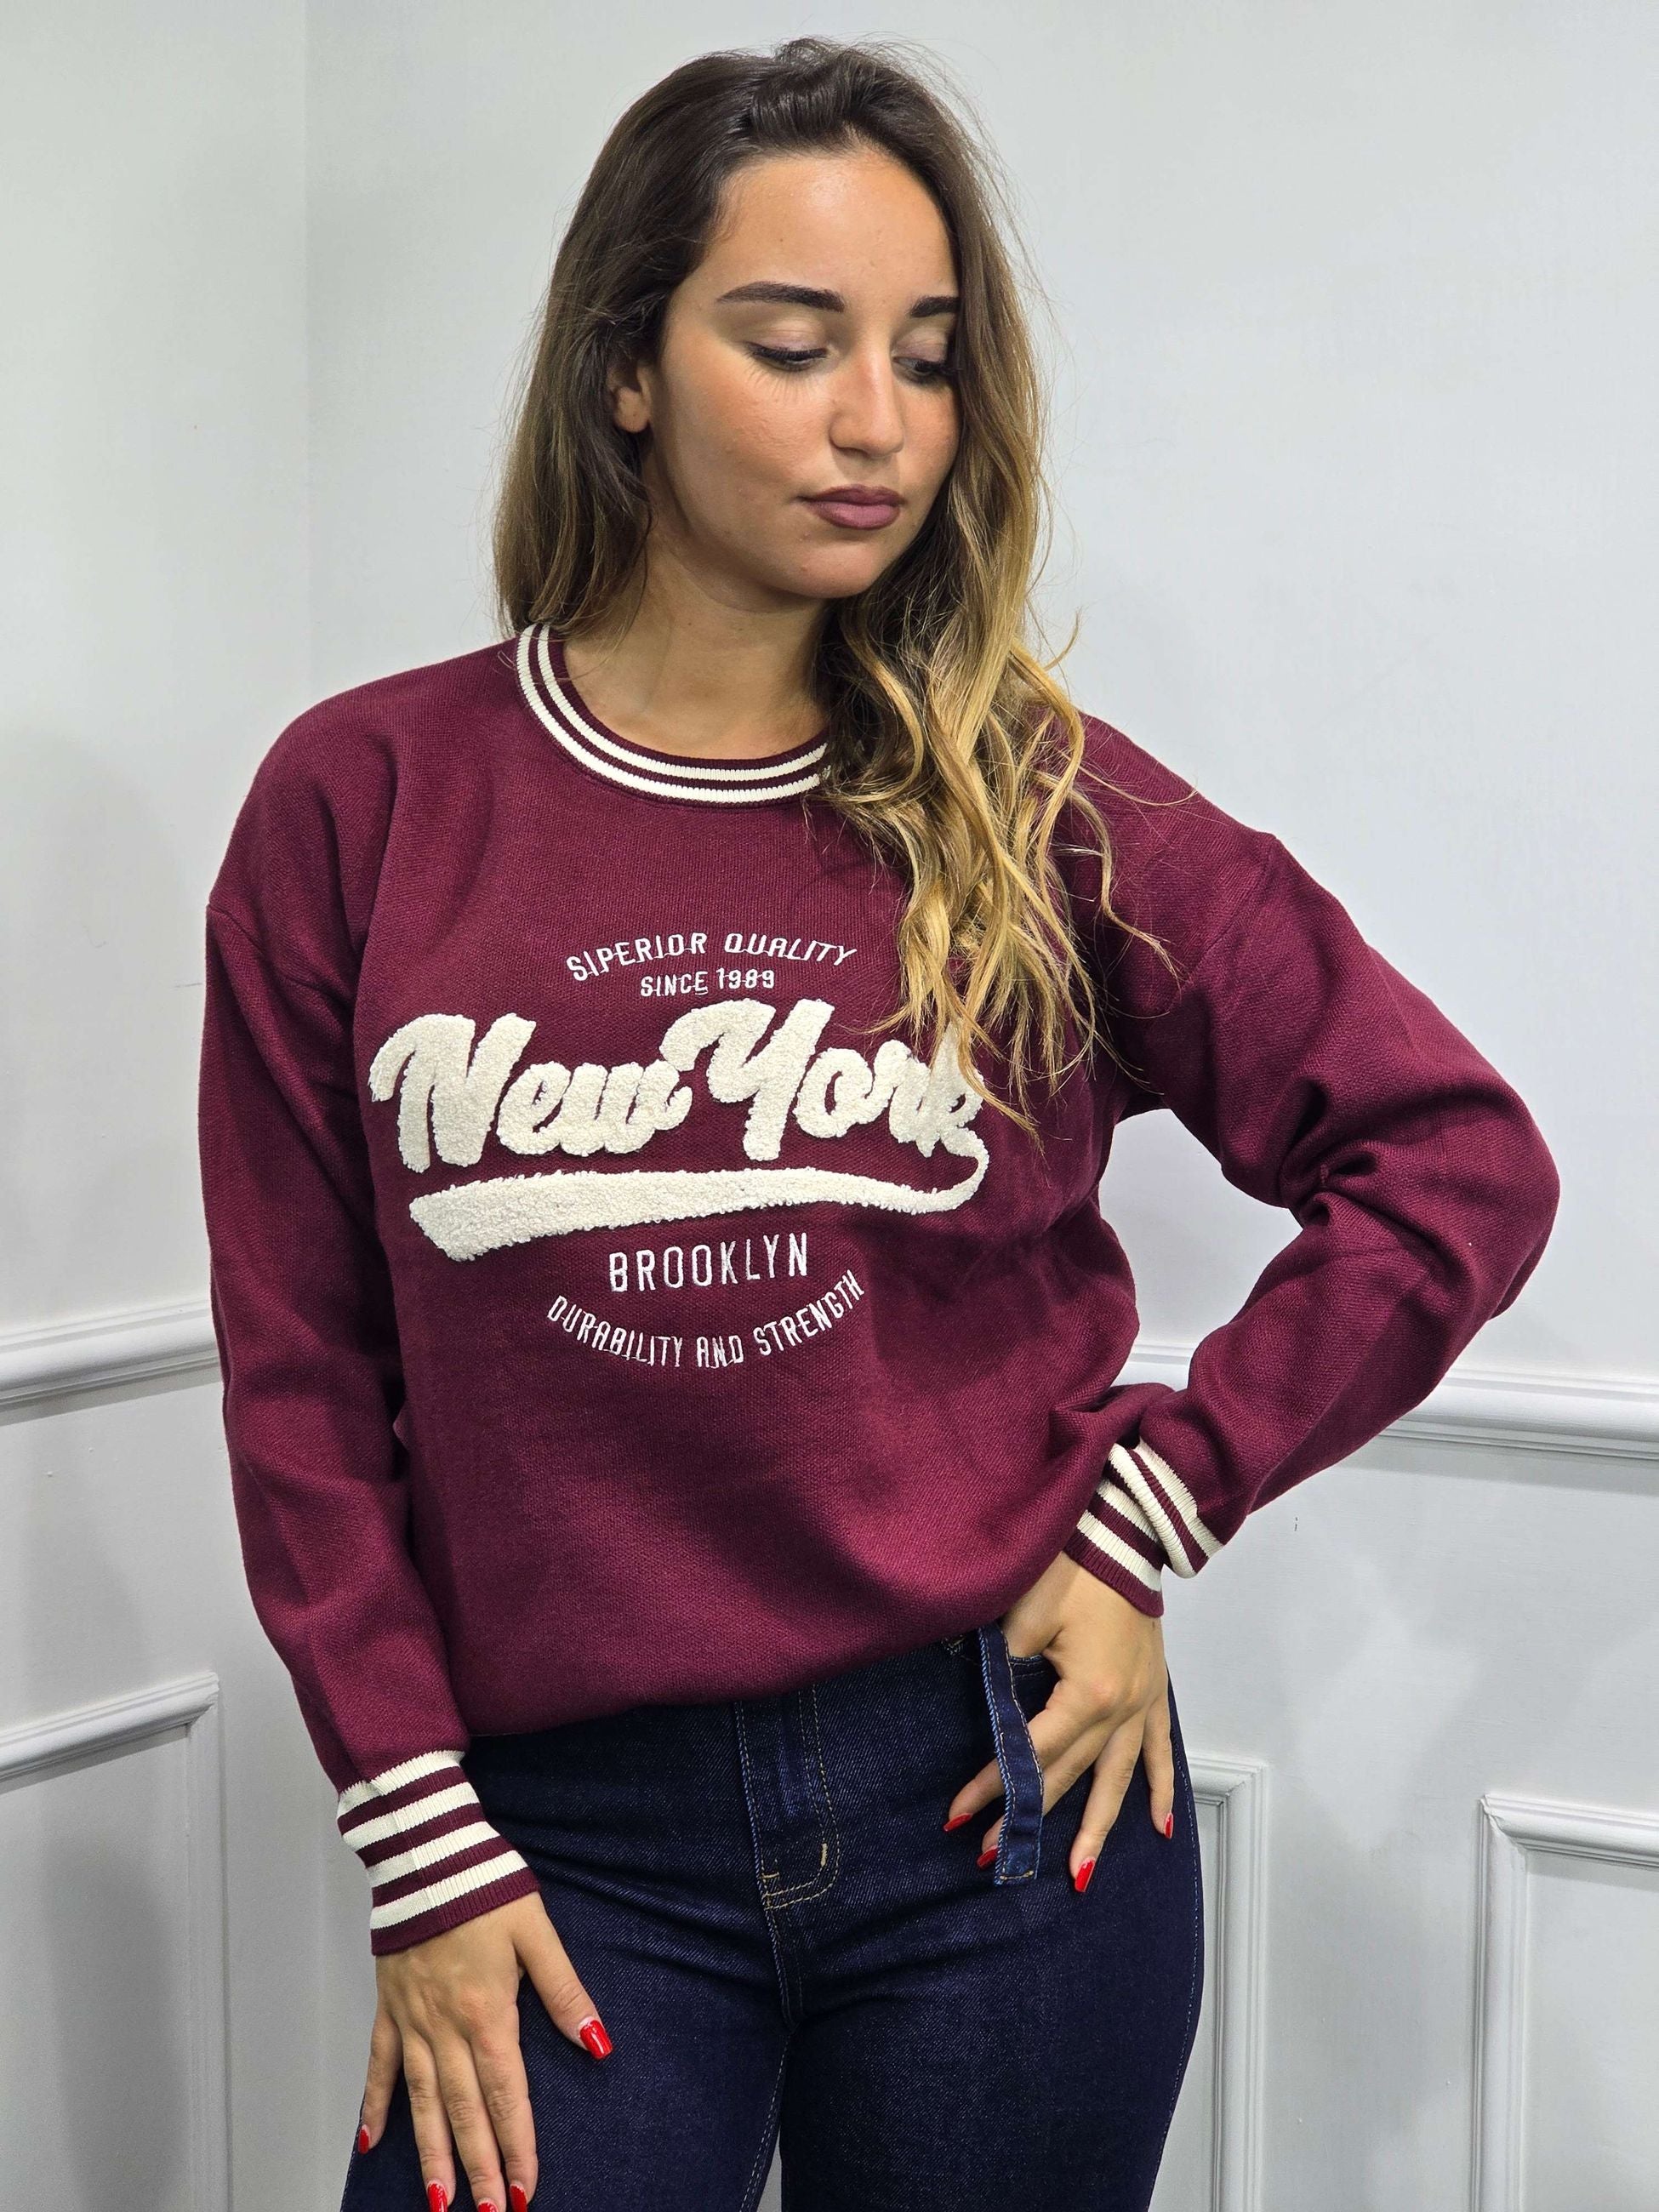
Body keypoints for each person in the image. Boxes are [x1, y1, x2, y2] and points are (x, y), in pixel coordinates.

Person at [195, 35, 1560, 2212]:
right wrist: (417, 1839)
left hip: (1005, 1811)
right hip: (557, 1838)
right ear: (623, 368)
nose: (879, 423)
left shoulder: (1037, 800)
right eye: (793, 343)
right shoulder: (364, 802)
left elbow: (1454, 1163)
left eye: (926, 356)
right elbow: (300, 1374)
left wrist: (1151, 1517)